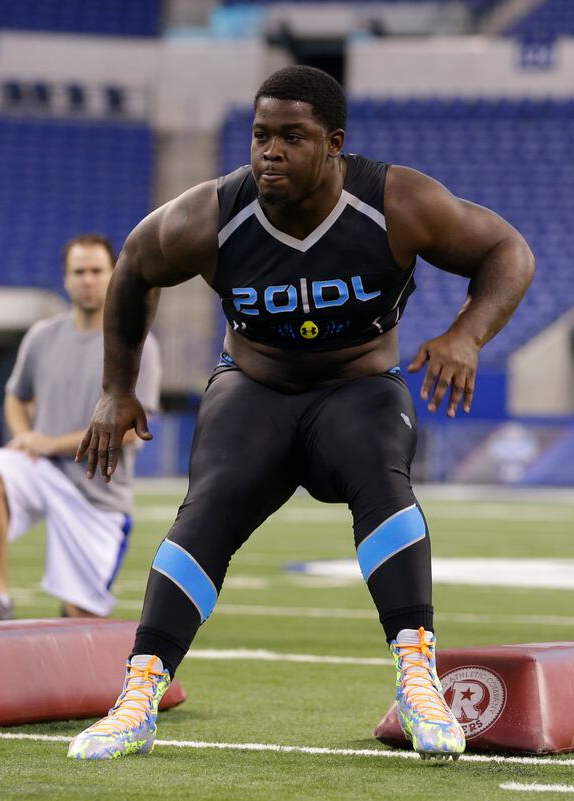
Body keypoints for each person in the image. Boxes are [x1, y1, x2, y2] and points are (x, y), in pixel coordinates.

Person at [68, 66, 534, 761]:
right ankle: (139, 694)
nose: (271, 152)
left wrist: (467, 335)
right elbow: (134, 265)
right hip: (256, 387)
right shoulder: (214, 215)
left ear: (333, 145)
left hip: (358, 387)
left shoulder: (395, 202)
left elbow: (507, 250)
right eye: (261, 136)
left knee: (382, 473)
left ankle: (417, 676)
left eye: (292, 137)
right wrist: (117, 388)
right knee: (211, 501)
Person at [0, 234, 162, 623]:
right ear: (65, 279)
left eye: (96, 271)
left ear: (114, 275)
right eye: (79, 272)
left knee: (79, 619)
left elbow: (134, 429)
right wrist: (24, 437)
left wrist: (50, 443)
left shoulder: (137, 343)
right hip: (43, 469)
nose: (88, 280)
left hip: (98, 491)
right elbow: (16, 396)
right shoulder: (42, 336)